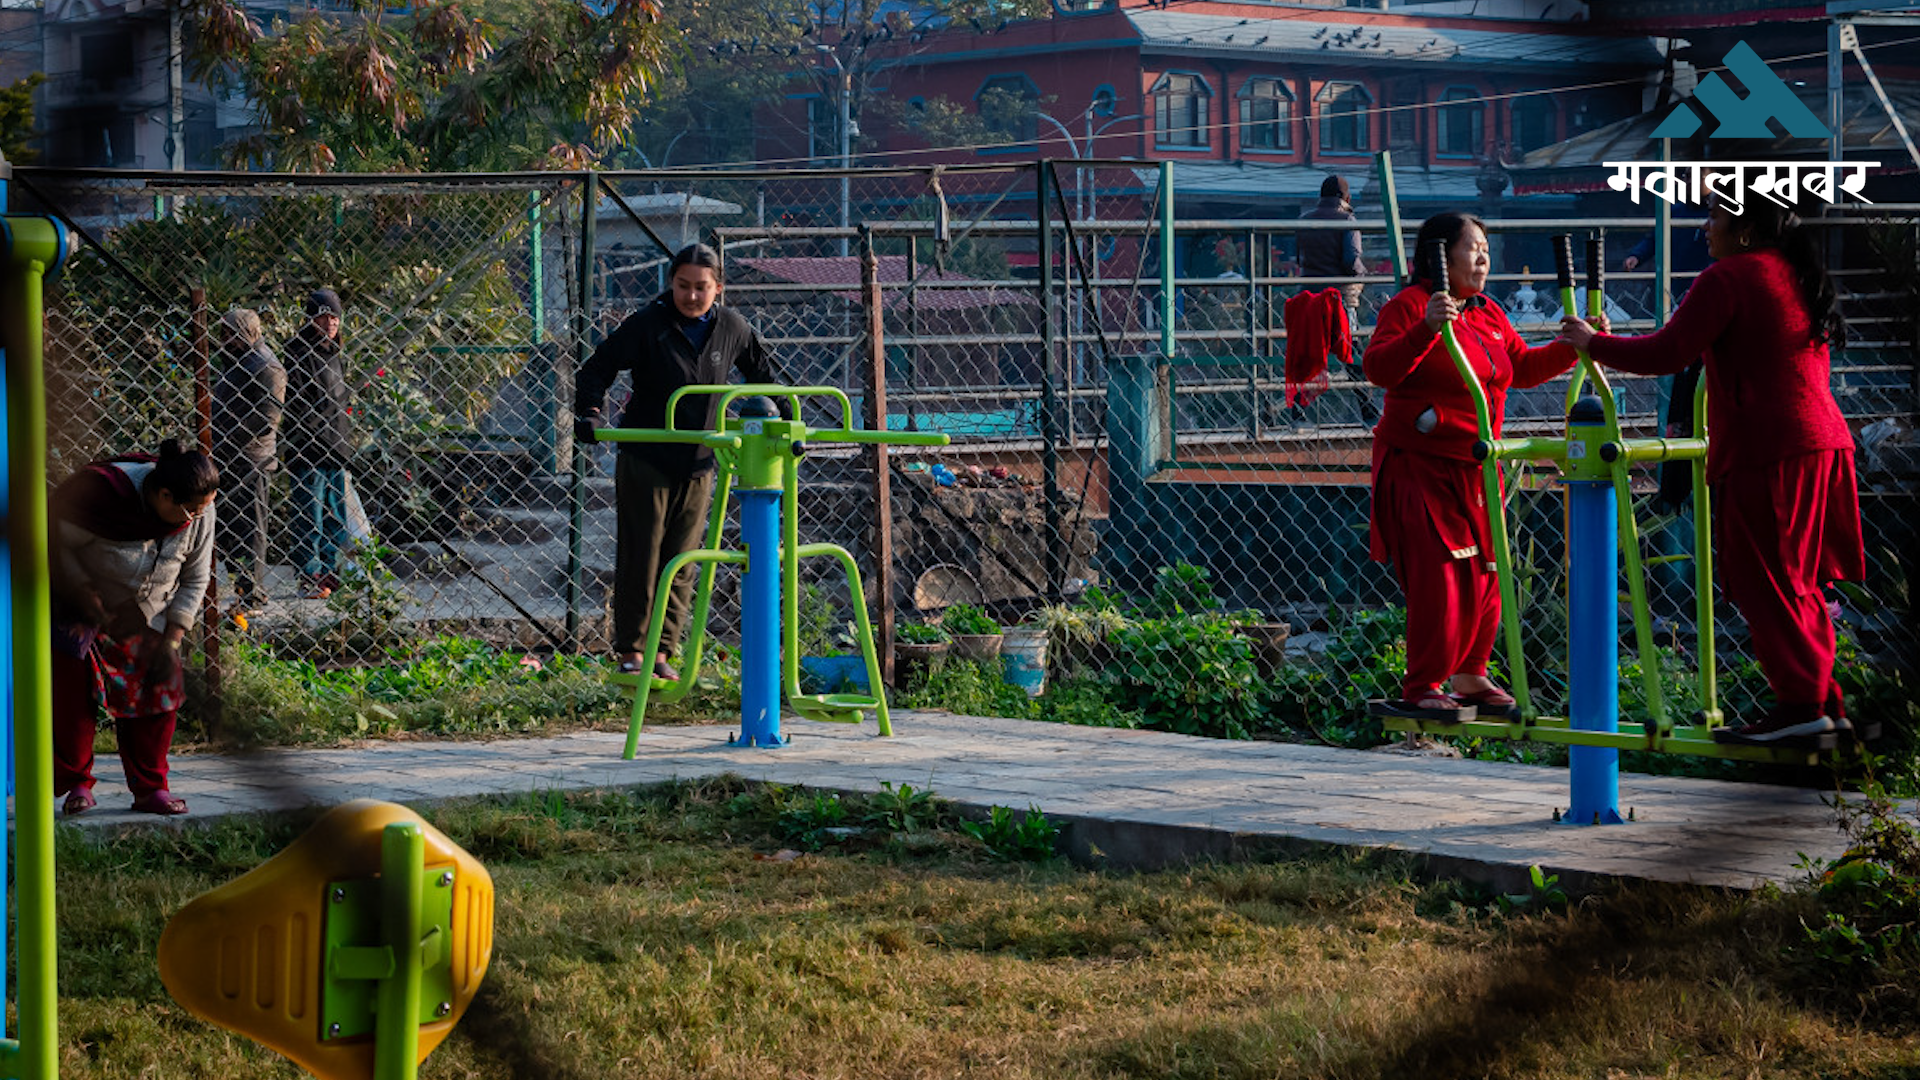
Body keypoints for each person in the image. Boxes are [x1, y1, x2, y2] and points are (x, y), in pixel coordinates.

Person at [1560, 198, 1862, 745]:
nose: (1706, 228)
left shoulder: (1729, 276)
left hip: (1769, 447)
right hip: (1819, 443)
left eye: (1716, 219)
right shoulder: (1790, 272)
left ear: (1743, 232)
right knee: (1797, 577)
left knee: (1762, 577)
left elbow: (1669, 351)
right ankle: (1822, 705)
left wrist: (1592, 343)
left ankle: (1802, 704)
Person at [1361, 211, 1603, 720]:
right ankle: (1423, 682)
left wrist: (1573, 347)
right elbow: (1379, 368)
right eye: (1474, 249)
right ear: (1441, 257)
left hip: (1476, 464)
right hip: (1421, 466)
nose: (1484, 260)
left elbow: (1520, 369)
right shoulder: (1410, 307)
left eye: (1487, 250)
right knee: (1442, 575)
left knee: (1490, 572)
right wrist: (1427, 328)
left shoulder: (1488, 313)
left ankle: (1470, 673)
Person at [573, 243, 785, 679]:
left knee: (684, 560)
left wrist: (788, 423)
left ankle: (663, 652)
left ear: (718, 288)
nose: (691, 296)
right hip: (648, 457)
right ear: (672, 284)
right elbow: (597, 368)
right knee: (643, 554)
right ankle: (633, 651)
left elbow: (766, 380)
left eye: (701, 288)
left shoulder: (733, 328)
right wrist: (590, 412)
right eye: (683, 286)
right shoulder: (649, 325)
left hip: (700, 461)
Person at [50, 439, 219, 816]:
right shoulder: (103, 496)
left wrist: (172, 640)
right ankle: (77, 782)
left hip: (145, 614)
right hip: (83, 605)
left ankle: (150, 788)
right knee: (73, 686)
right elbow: (56, 541)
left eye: (203, 509)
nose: (195, 518)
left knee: (162, 686)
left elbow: (195, 578)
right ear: (163, 495)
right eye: (189, 510)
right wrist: (80, 588)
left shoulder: (200, 507)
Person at [281, 288, 355, 599]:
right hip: (308, 449)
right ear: (312, 317)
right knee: (309, 515)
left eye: (335, 316)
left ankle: (329, 571)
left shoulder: (334, 353)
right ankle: (310, 575)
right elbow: (299, 404)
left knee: (334, 517)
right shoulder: (298, 354)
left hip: (335, 447)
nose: (330, 323)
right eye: (324, 316)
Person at [210, 307, 285, 609]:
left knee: (249, 529)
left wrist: (228, 435)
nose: (225, 339)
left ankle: (251, 594)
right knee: (227, 527)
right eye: (224, 333)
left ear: (245, 332)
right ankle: (243, 590)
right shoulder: (239, 362)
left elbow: (268, 417)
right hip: (228, 456)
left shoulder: (266, 366)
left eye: (230, 333)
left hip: (250, 459)